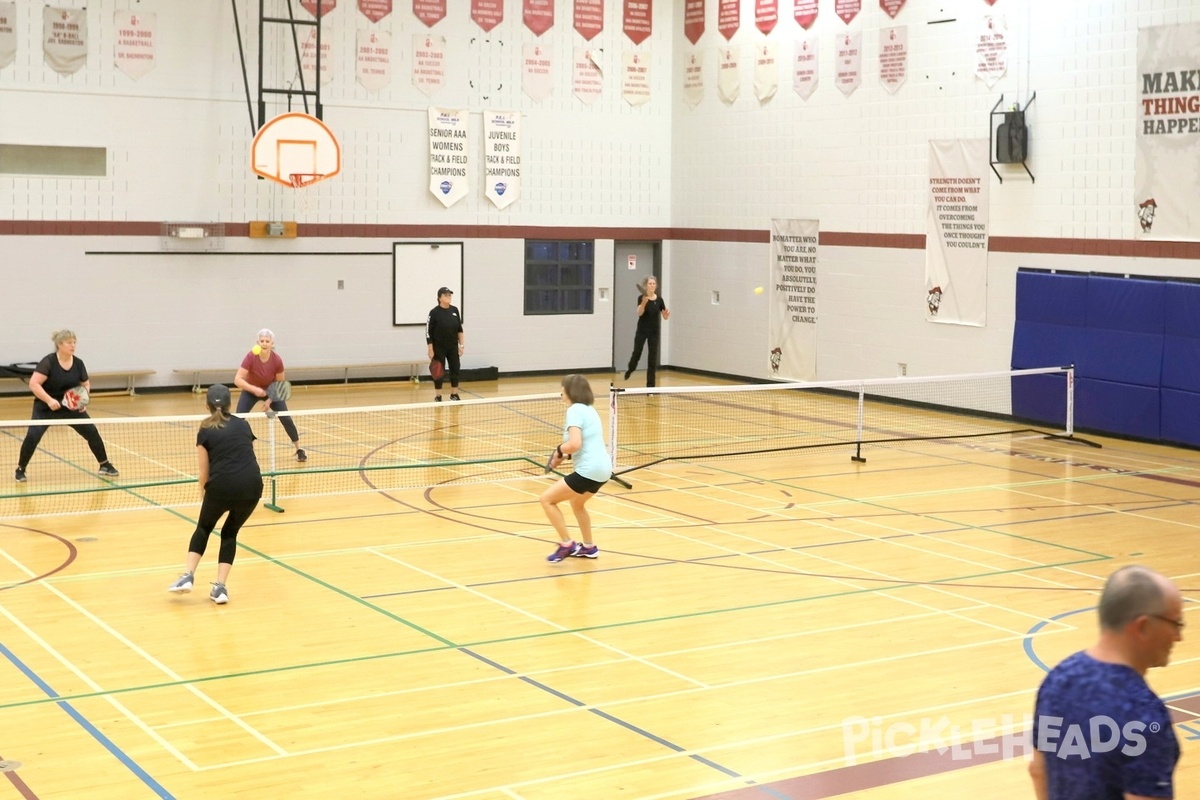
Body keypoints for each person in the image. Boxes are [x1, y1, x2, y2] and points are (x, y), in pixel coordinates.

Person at [1029, 565, 1183, 800]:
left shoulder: (1057, 680)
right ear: (1142, 626)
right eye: (1175, 623)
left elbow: (1039, 771)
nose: (1178, 636)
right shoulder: (1143, 714)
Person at [168, 384, 263, 604]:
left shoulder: (205, 429)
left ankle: (188, 576)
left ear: (206, 405)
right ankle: (220, 588)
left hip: (222, 486)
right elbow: (247, 456)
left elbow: (204, 472)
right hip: (252, 486)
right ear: (230, 404)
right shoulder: (243, 425)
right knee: (230, 533)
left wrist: (204, 491)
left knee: (204, 528)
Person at [14, 329, 119, 483]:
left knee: (91, 432)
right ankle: (21, 469)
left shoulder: (78, 363)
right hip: (46, 407)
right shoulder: (48, 362)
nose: (73, 345)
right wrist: (49, 400)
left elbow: (86, 383)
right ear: (59, 344)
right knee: (33, 436)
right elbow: (34, 384)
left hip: (71, 406)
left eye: (74, 342)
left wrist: (82, 400)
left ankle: (104, 464)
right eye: (69, 342)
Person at [541, 374, 612, 562]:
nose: (561, 393)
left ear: (570, 391)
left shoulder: (574, 411)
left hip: (589, 470)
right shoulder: (590, 410)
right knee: (577, 503)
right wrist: (564, 455)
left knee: (547, 500)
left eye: (562, 389)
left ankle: (566, 544)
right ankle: (589, 547)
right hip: (604, 470)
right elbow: (583, 444)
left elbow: (574, 444)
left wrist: (559, 450)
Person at [233, 328, 306, 462]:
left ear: (272, 343)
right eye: (262, 341)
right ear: (258, 342)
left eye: (267, 341)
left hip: (272, 390)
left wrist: (270, 400)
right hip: (251, 390)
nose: (265, 343)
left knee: (286, 418)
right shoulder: (250, 357)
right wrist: (254, 390)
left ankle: (299, 449)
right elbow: (237, 380)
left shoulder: (277, 360)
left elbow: (280, 384)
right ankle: (234, 449)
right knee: (238, 419)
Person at [623, 276, 669, 387]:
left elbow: (665, 316)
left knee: (652, 359)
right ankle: (630, 369)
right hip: (642, 331)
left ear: (656, 286)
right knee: (637, 353)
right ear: (646, 285)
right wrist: (644, 303)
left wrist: (665, 315)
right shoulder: (641, 298)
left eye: (654, 283)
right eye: (650, 283)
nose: (652, 285)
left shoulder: (659, 300)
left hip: (654, 332)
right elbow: (639, 313)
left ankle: (650, 387)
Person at [426, 287, 465, 402]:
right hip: (439, 347)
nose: (449, 297)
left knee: (455, 369)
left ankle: (454, 394)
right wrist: (430, 348)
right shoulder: (434, 312)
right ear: (439, 298)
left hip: (452, 346)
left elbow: (460, 330)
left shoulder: (455, 310)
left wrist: (461, 345)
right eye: (446, 295)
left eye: (450, 295)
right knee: (438, 371)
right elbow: (428, 332)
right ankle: (438, 396)